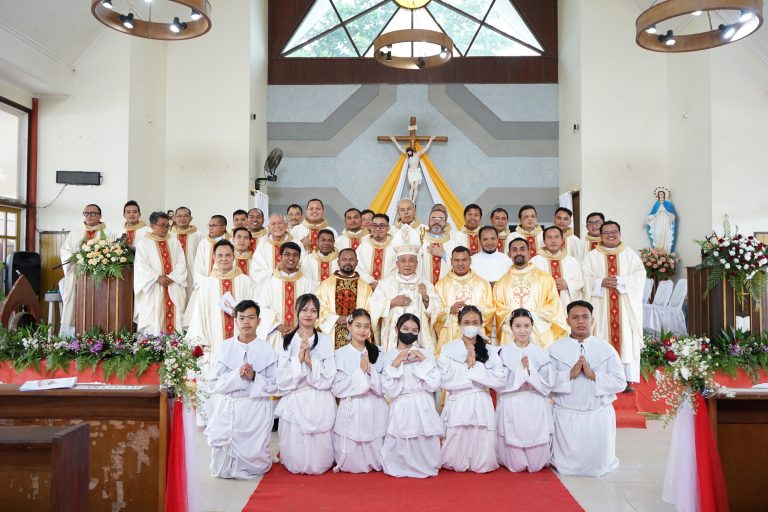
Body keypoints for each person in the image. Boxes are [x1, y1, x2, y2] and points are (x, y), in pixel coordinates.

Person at [549, 301, 626, 477]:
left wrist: (594, 375)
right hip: (566, 417)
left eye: (585, 317)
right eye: (575, 318)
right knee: (566, 465)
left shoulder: (606, 349)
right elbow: (546, 382)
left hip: (597, 415)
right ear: (567, 320)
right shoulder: (555, 349)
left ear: (593, 320)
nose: (580, 322)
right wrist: (569, 374)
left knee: (598, 464)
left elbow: (620, 382)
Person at [206, 300, 277, 479]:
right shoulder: (224, 348)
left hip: (255, 409)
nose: (246, 322)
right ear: (235, 321)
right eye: (242, 318)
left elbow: (275, 385)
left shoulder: (267, 350)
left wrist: (254, 377)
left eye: (251, 318)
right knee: (221, 470)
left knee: (255, 466)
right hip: (229, 407)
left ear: (258, 321)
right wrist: (236, 375)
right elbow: (213, 384)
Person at [274, 294, 337, 475]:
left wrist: (310, 362)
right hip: (296, 396)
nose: (308, 314)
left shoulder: (325, 340)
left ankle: (320, 462)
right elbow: (281, 379)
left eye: (313, 310)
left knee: (318, 448)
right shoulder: (286, 341)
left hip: (319, 397)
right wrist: (298, 360)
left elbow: (330, 376)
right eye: (304, 310)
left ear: (318, 314)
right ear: (296, 312)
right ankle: (295, 462)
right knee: (296, 442)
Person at [438, 306, 504, 473]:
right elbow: (443, 378)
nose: (471, 325)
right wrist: (469, 367)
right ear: (459, 324)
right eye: (466, 322)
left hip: (481, 400)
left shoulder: (490, 350)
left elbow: (499, 379)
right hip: (458, 400)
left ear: (481, 324)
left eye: (475, 322)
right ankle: (455, 461)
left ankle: (481, 462)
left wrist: (474, 368)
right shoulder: (448, 349)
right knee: (457, 439)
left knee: (481, 436)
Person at [582, 221, 645, 386]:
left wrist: (622, 281)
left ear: (620, 233)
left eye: (614, 232)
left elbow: (640, 276)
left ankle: (626, 379)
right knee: (601, 337)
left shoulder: (630, 254)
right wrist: (600, 282)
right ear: (601, 236)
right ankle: (600, 376)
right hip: (601, 306)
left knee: (625, 337)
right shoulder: (591, 256)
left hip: (624, 306)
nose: (611, 235)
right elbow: (584, 279)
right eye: (607, 232)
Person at [381, 314, 443, 478]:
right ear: (397, 329)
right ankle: (401, 466)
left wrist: (423, 360)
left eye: (415, 330)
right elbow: (389, 391)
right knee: (402, 440)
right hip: (402, 403)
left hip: (423, 403)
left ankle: (426, 465)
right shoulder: (389, 355)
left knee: (424, 439)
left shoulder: (426, 353)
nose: (410, 333)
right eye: (406, 329)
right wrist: (396, 363)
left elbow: (434, 384)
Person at [495, 309, 553, 473]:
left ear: (532, 326)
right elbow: (499, 382)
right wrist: (520, 373)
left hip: (535, 402)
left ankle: (536, 459)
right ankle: (513, 460)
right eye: (518, 326)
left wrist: (530, 372)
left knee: (536, 458)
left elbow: (548, 384)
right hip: (512, 401)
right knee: (513, 446)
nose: (522, 330)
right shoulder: (503, 352)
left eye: (526, 325)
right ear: (511, 328)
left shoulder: (541, 353)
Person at [186, 240, 257, 374]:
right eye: (220, 255)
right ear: (214, 258)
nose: (224, 259)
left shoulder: (245, 281)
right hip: (214, 340)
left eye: (228, 255)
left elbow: (256, 311)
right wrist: (200, 340)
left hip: (242, 340)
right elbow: (198, 315)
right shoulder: (207, 284)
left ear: (234, 257)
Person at [331, 309, 388, 473]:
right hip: (352, 407)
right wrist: (359, 373)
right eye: (358, 326)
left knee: (376, 447)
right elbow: (337, 388)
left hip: (375, 405)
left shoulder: (378, 352)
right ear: (349, 326)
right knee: (352, 459)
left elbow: (386, 385)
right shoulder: (339, 354)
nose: (362, 330)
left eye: (366, 326)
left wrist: (370, 372)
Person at [369, 225, 441, 352]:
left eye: (411, 260)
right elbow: (373, 307)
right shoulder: (385, 284)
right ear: (397, 263)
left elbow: (437, 311)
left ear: (416, 263)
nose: (407, 264)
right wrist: (392, 303)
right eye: (403, 261)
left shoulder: (425, 285)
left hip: (420, 338)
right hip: (392, 337)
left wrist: (425, 298)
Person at [493, 238, 567, 348]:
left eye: (522, 249)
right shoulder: (501, 283)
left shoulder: (545, 279)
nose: (518, 253)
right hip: (511, 333)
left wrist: (533, 317)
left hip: (539, 331)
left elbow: (553, 304)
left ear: (529, 252)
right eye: (514, 250)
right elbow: (499, 309)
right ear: (509, 254)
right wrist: (516, 322)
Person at [59, 204, 114, 335]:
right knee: (73, 304)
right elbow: (65, 251)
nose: (89, 216)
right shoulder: (76, 232)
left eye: (93, 213)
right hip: (77, 275)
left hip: (99, 277)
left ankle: (100, 334)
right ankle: (71, 336)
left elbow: (112, 255)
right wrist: (74, 258)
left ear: (100, 216)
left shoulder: (108, 233)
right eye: (86, 213)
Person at [134, 211, 187, 335]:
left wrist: (171, 277)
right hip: (154, 287)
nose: (165, 228)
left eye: (167, 225)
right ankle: (155, 348)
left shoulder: (174, 242)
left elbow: (181, 263)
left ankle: (175, 347)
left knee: (175, 317)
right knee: (155, 317)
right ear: (152, 226)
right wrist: (157, 278)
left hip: (173, 285)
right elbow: (141, 266)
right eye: (162, 225)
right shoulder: (144, 243)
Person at [434, 247, 494, 352]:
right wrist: (449, 310)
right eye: (456, 260)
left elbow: (490, 310)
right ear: (451, 261)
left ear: (470, 261)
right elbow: (434, 311)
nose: (460, 263)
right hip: (450, 336)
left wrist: (473, 311)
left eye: (464, 260)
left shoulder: (482, 284)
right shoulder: (441, 285)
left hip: (475, 334)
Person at [256, 242, 315, 350]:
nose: (291, 258)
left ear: (299, 258)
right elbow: (262, 309)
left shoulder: (308, 283)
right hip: (275, 334)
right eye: (287, 254)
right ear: (280, 257)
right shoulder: (268, 283)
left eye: (295, 255)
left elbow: (314, 308)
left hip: (302, 334)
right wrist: (279, 326)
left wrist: (297, 328)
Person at [317, 249, 373, 349]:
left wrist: (355, 321)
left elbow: (370, 311)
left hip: (357, 333)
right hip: (332, 334)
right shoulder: (326, 284)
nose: (347, 262)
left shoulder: (365, 287)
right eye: (344, 259)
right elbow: (320, 307)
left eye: (351, 259)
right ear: (338, 262)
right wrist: (336, 318)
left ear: (356, 262)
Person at [531, 226, 585, 317]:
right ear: (544, 241)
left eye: (556, 237)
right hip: (543, 308)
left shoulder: (572, 261)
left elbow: (580, 282)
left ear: (562, 240)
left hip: (567, 307)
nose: (553, 241)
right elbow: (530, 284)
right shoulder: (534, 262)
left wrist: (568, 284)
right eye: (549, 237)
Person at [170, 206, 205, 303]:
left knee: (192, 301)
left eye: (185, 216)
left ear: (191, 218)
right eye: (179, 216)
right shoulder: (169, 235)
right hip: (175, 275)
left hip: (193, 273)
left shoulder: (199, 235)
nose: (182, 218)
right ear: (174, 218)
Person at [388, 135, 436, 204]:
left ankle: (413, 201)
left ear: (411, 151)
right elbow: (400, 149)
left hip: (416, 172)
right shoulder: (408, 155)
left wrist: (430, 140)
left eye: (409, 152)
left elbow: (425, 149)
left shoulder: (418, 154)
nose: (408, 153)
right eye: (407, 152)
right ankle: (410, 200)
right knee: (412, 186)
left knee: (416, 187)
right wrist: (395, 141)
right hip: (411, 172)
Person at [355, 213, 396, 288]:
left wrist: (381, 284)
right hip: (366, 287)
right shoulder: (362, 247)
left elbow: (396, 270)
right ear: (370, 227)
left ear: (388, 228)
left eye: (381, 226)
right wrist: (370, 282)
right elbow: (358, 268)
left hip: (388, 289)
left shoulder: (395, 247)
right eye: (374, 225)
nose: (377, 229)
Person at [191, 215, 230, 289]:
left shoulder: (231, 242)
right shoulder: (203, 243)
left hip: (225, 283)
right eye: (209, 225)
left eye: (214, 225)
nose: (210, 228)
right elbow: (198, 266)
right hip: (205, 285)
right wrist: (206, 283)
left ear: (223, 227)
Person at [419, 208, 455, 285]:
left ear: (445, 223)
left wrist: (444, 255)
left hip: (446, 288)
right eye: (434, 218)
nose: (437, 221)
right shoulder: (420, 241)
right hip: (424, 289)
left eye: (441, 219)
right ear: (428, 221)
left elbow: (460, 265)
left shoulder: (452, 242)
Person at [644, 187, 677, 254]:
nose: (661, 195)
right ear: (658, 195)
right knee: (657, 233)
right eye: (659, 194)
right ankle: (658, 250)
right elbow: (653, 213)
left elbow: (672, 213)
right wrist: (648, 219)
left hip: (666, 220)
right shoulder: (656, 204)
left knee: (666, 234)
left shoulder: (668, 203)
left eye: (662, 194)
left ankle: (665, 251)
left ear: (664, 195)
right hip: (658, 220)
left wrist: (672, 216)